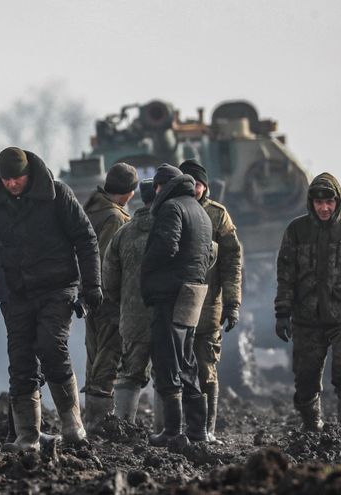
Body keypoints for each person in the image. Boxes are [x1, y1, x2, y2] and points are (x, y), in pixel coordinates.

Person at [0, 147, 102, 451]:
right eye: (7, 180)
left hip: (57, 287)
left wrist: (91, 287)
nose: (12, 184)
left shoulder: (58, 196)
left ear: (30, 174)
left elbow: (86, 238)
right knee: (21, 361)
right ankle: (28, 436)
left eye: (18, 178)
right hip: (16, 293)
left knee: (52, 346)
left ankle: (72, 424)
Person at [274, 172, 341, 431]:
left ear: (337, 202)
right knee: (306, 378)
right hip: (306, 317)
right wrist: (282, 313)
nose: (324, 208)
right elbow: (286, 275)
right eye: (319, 202)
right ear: (311, 203)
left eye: (329, 202)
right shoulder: (297, 230)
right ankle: (311, 427)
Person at [141, 164, 213, 446]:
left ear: (162, 186)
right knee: (187, 361)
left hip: (170, 294)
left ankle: (171, 431)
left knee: (167, 361)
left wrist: (146, 268)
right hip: (192, 293)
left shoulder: (172, 208)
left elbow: (166, 247)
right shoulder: (200, 211)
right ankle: (197, 431)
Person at [178, 159, 243, 444]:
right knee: (177, 370)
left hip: (208, 307)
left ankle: (207, 429)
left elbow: (232, 261)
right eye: (188, 183)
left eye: (198, 184)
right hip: (176, 304)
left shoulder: (219, 216)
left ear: (205, 186)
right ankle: (180, 428)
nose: (194, 189)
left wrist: (233, 303)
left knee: (206, 369)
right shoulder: (170, 211)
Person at [81, 162, 138, 431]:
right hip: (108, 297)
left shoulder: (92, 210)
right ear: (129, 192)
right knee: (109, 352)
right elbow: (107, 260)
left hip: (89, 294)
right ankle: (99, 418)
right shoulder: (115, 218)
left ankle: (91, 416)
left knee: (94, 353)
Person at [102, 179, 156, 423]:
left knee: (130, 373)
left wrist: (123, 302)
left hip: (132, 317)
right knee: (167, 374)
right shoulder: (171, 228)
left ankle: (124, 424)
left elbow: (109, 278)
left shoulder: (123, 233)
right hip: (166, 316)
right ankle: (165, 429)